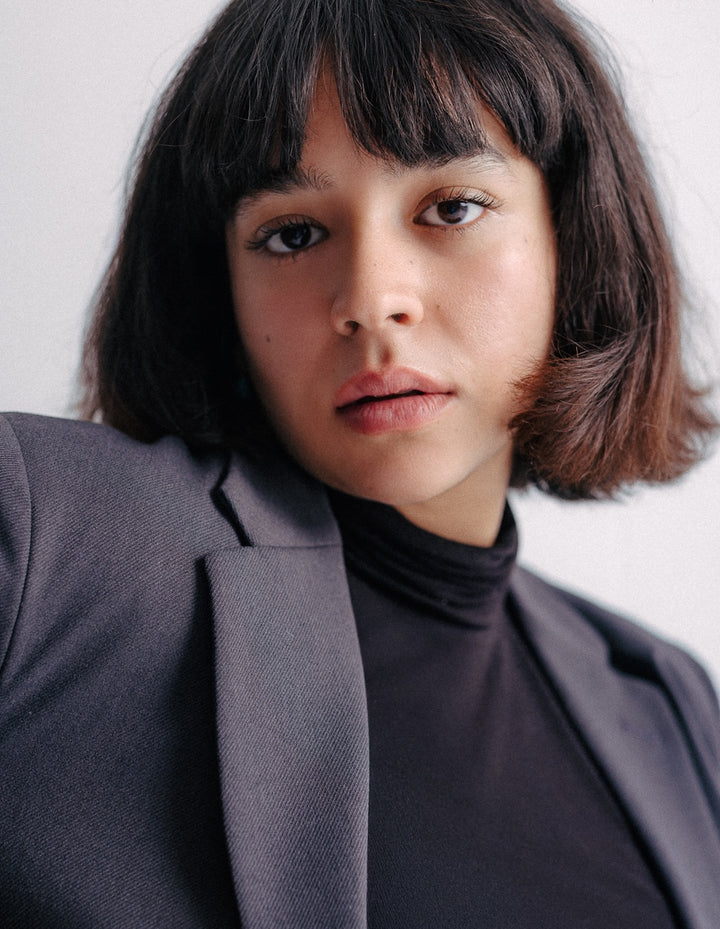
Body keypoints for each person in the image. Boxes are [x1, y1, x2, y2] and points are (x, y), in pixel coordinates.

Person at [1, 0, 719, 926]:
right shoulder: (50, 540)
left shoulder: (670, 701)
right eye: (293, 234)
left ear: (572, 242)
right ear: (220, 289)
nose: (372, 299)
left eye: (451, 208)